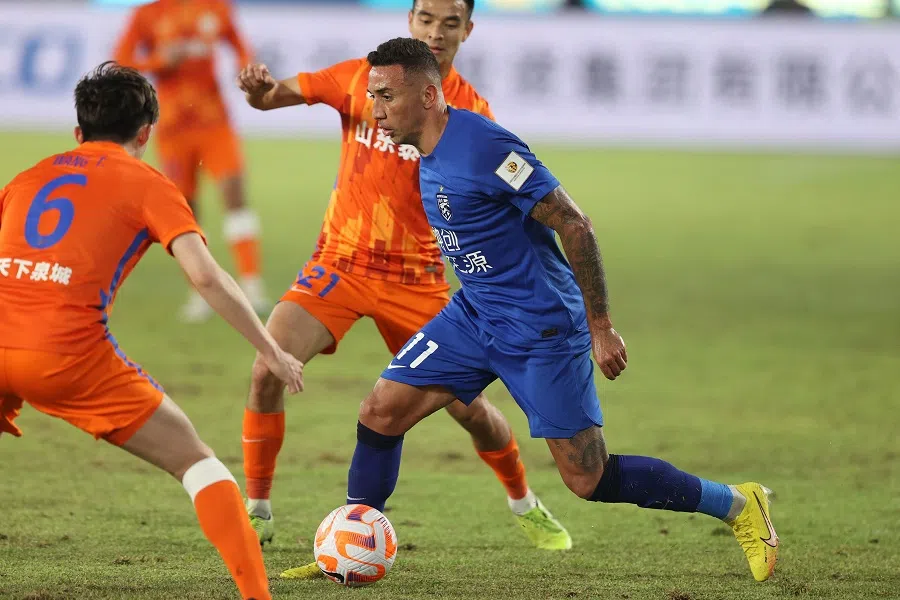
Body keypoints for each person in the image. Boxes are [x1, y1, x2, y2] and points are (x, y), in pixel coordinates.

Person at [289, 37, 781, 583]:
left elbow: (575, 223)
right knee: (381, 411)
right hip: (475, 314)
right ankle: (350, 543)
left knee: (588, 478)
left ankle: (738, 504)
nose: (376, 110)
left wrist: (601, 326)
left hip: (540, 328)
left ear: (428, 96)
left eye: (386, 97)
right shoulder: (423, 148)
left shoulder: (486, 148)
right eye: (372, 97)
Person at [235, 0, 571, 568]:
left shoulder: (471, 113)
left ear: (467, 30)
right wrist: (257, 90)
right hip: (340, 263)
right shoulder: (360, 78)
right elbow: (270, 98)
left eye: (449, 22)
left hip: (417, 279)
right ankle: (258, 508)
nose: (436, 31)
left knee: (471, 411)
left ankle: (524, 500)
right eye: (425, 19)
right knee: (267, 367)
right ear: (410, 21)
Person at [0, 62, 305, 600]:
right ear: (145, 134)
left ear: (78, 131)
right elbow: (205, 277)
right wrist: (272, 350)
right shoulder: (150, 184)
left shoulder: (25, 178)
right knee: (198, 463)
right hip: (65, 358)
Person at [114, 0, 271, 322]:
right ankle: (201, 293)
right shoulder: (147, 15)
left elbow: (240, 45)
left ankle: (252, 285)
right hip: (174, 128)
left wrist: (245, 67)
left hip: (214, 122)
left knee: (234, 195)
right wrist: (159, 61)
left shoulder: (215, 8)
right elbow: (121, 64)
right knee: (186, 210)